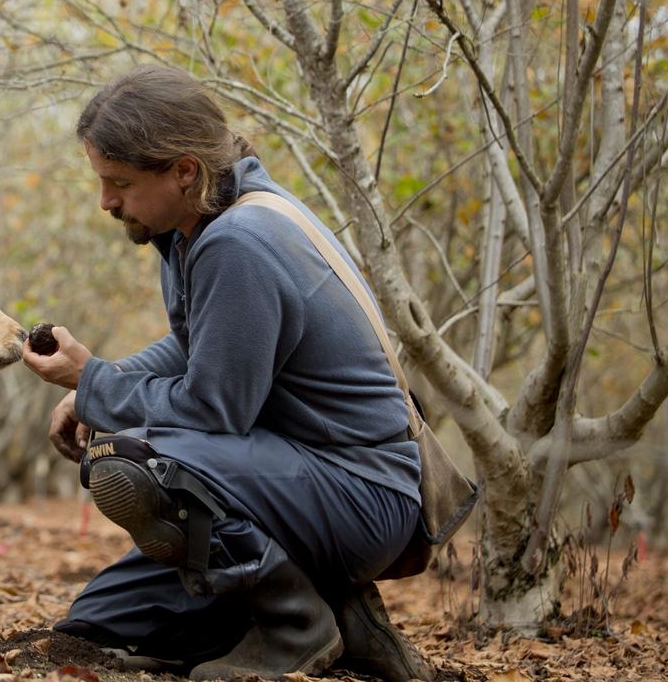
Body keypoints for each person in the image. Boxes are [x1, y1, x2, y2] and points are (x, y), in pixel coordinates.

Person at [23, 65, 434, 682]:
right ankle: (346, 619)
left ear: (184, 170)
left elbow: (214, 410)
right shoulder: (195, 227)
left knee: (135, 457)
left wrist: (96, 385)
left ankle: (296, 627)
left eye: (120, 183)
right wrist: (92, 387)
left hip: (362, 492)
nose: (107, 201)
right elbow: (197, 348)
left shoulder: (238, 240)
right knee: (96, 625)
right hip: (297, 483)